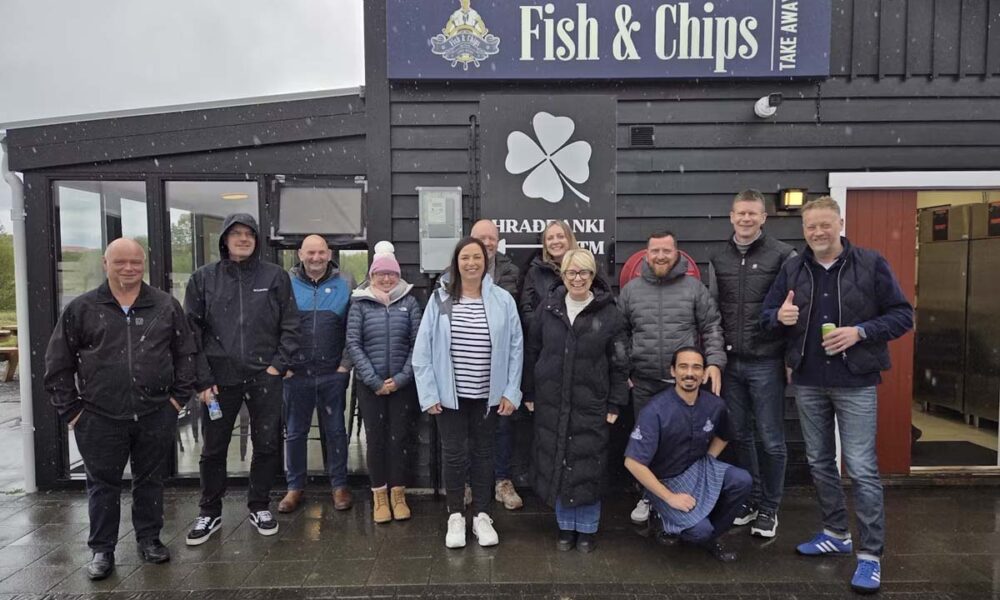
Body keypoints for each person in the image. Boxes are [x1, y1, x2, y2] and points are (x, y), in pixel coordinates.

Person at [761, 196, 913, 595]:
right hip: (809, 379)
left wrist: (860, 332)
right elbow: (768, 313)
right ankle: (835, 531)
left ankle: (870, 556)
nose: (817, 232)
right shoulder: (794, 267)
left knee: (861, 467)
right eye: (811, 226)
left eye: (825, 225)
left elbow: (902, 315)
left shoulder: (870, 263)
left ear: (839, 223)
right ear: (804, 228)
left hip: (856, 379)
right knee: (820, 461)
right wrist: (779, 316)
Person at [44, 238, 196, 580]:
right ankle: (102, 550)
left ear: (144, 264)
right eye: (120, 262)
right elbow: (57, 364)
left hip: (156, 411)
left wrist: (176, 400)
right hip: (98, 416)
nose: (129, 268)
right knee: (102, 485)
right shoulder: (82, 308)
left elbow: (186, 353)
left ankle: (149, 539)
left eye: (136, 262)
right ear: (105, 264)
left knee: (150, 481)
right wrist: (72, 412)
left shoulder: (164, 306)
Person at [183, 213, 299, 544]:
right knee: (214, 447)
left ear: (257, 240)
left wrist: (277, 365)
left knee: (265, 444)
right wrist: (202, 380)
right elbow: (191, 333)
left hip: (265, 376)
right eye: (236, 234)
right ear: (224, 239)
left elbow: (291, 324)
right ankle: (209, 511)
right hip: (220, 381)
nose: (243, 239)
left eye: (249, 234)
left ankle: (259, 504)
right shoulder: (204, 278)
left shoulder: (275, 277)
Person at [413, 237, 523, 549]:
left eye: (477, 257)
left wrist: (511, 390)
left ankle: (483, 515)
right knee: (454, 454)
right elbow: (422, 352)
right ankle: (456, 516)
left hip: (488, 395)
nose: (471, 263)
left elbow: (516, 348)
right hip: (450, 395)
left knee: (484, 454)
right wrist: (429, 393)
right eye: (465, 258)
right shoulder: (440, 299)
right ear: (456, 263)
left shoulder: (502, 300)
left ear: (485, 262)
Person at [523, 248, 629, 553]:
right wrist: (529, 392)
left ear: (593, 276)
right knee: (559, 458)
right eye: (572, 272)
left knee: (587, 465)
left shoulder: (609, 314)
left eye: (584, 272)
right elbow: (533, 352)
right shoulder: (549, 309)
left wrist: (614, 404)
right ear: (563, 275)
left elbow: (620, 362)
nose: (578, 278)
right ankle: (565, 528)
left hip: (591, 402)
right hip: (552, 400)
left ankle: (587, 529)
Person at [618, 231, 726, 524]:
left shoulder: (693, 288)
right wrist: (625, 368)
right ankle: (647, 495)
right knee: (646, 446)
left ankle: (687, 490)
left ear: (677, 253)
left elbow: (712, 326)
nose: (661, 256)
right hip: (644, 382)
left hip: (684, 385)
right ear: (646, 254)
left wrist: (714, 362)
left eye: (667, 250)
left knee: (682, 445)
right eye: (655, 251)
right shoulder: (631, 291)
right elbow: (620, 334)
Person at [707, 189, 796, 538]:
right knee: (740, 435)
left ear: (763, 217)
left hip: (767, 362)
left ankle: (770, 508)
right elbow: (712, 313)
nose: (746, 219)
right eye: (740, 213)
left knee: (771, 439)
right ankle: (752, 499)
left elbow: (793, 313)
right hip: (731, 363)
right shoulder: (718, 256)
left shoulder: (783, 256)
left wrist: (789, 356)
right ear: (731, 216)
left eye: (752, 214)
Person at [624, 347, 751, 563]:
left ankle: (713, 535)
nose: (689, 373)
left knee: (742, 480)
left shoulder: (714, 404)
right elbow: (632, 462)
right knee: (698, 531)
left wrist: (709, 459)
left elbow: (725, 435)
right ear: (673, 371)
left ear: (703, 374)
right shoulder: (655, 410)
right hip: (666, 482)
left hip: (699, 468)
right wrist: (669, 497)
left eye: (696, 367)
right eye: (683, 367)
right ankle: (662, 518)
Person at [346, 243, 422, 523]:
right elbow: (353, 343)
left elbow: (418, 344)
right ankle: (379, 496)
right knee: (375, 440)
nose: (387, 279)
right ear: (372, 275)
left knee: (399, 439)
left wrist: (400, 379)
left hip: (402, 386)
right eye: (381, 274)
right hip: (371, 387)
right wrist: (374, 381)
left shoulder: (409, 302)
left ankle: (398, 495)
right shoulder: (360, 302)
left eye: (391, 274)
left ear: (398, 275)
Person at [277, 235, 353, 514]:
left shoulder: (345, 281)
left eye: (321, 252)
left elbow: (352, 328)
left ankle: (339, 486)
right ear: (300, 254)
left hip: (332, 372)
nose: (316, 258)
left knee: (335, 432)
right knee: (295, 433)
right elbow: (275, 325)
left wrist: (345, 365)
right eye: (311, 252)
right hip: (295, 375)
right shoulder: (285, 282)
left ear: (329, 253)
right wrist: (283, 365)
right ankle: (294, 487)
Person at [470, 218, 524, 511]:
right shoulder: (453, 271)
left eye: (492, 238)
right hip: (467, 364)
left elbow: (518, 320)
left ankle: (502, 481)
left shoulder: (511, 271)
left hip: (501, 361)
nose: (488, 243)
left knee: (503, 425)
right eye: (482, 238)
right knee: (468, 427)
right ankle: (468, 482)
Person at [520, 220, 578, 323]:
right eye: (550, 238)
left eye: (560, 236)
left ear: (570, 239)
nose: (555, 241)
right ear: (545, 244)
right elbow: (526, 309)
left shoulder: (586, 267)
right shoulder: (535, 272)